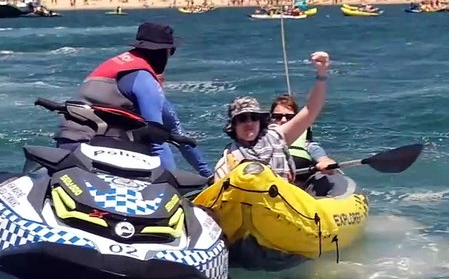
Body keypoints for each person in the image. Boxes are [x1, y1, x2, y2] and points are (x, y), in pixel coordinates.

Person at [56, 22, 212, 177]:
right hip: (99, 149)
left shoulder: (117, 65)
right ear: (167, 51)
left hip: (68, 143)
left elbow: (170, 123)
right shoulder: (144, 80)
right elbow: (157, 140)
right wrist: (175, 183)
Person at [214, 51, 329, 181]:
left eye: (254, 117)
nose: (249, 123)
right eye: (242, 119)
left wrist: (322, 73)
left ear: (260, 122)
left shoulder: (277, 137)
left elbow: (311, 109)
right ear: (233, 126)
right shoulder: (226, 162)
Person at [269, 94, 337, 175]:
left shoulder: (304, 138)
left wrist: (324, 161)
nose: (283, 120)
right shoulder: (261, 138)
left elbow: (314, 148)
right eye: (277, 116)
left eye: (289, 117)